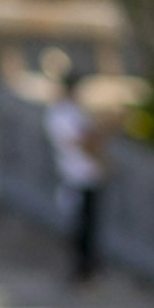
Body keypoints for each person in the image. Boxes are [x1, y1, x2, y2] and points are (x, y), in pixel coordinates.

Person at [45, 59, 105, 286]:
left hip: (89, 175)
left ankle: (89, 269)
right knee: (80, 227)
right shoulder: (60, 113)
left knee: (91, 227)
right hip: (74, 176)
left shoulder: (75, 111)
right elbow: (82, 141)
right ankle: (80, 271)